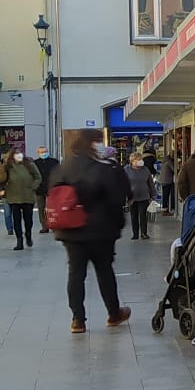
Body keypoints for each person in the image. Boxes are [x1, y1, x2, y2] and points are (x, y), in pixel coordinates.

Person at [50, 128, 131, 334]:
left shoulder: (62, 168)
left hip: (70, 231)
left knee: (75, 274)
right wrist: (118, 225)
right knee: (104, 271)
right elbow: (115, 200)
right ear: (92, 143)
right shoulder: (101, 169)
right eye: (98, 141)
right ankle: (114, 313)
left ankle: (78, 319)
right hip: (100, 231)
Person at [3, 149, 42, 249]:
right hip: (14, 196)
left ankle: (28, 235)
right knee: (16, 220)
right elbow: (2, 178)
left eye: (20, 153)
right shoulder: (8, 166)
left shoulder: (29, 164)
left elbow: (38, 177)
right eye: (16, 153)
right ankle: (19, 241)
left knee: (28, 219)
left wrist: (33, 186)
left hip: (28, 196)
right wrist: (2, 189)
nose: (18, 155)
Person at [125, 153, 155, 240]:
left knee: (143, 215)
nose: (140, 161)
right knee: (134, 216)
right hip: (132, 197)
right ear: (132, 161)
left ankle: (144, 233)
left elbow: (150, 182)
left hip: (144, 196)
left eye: (140, 159)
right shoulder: (126, 170)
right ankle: (135, 234)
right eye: (137, 160)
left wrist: (153, 194)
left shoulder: (145, 169)